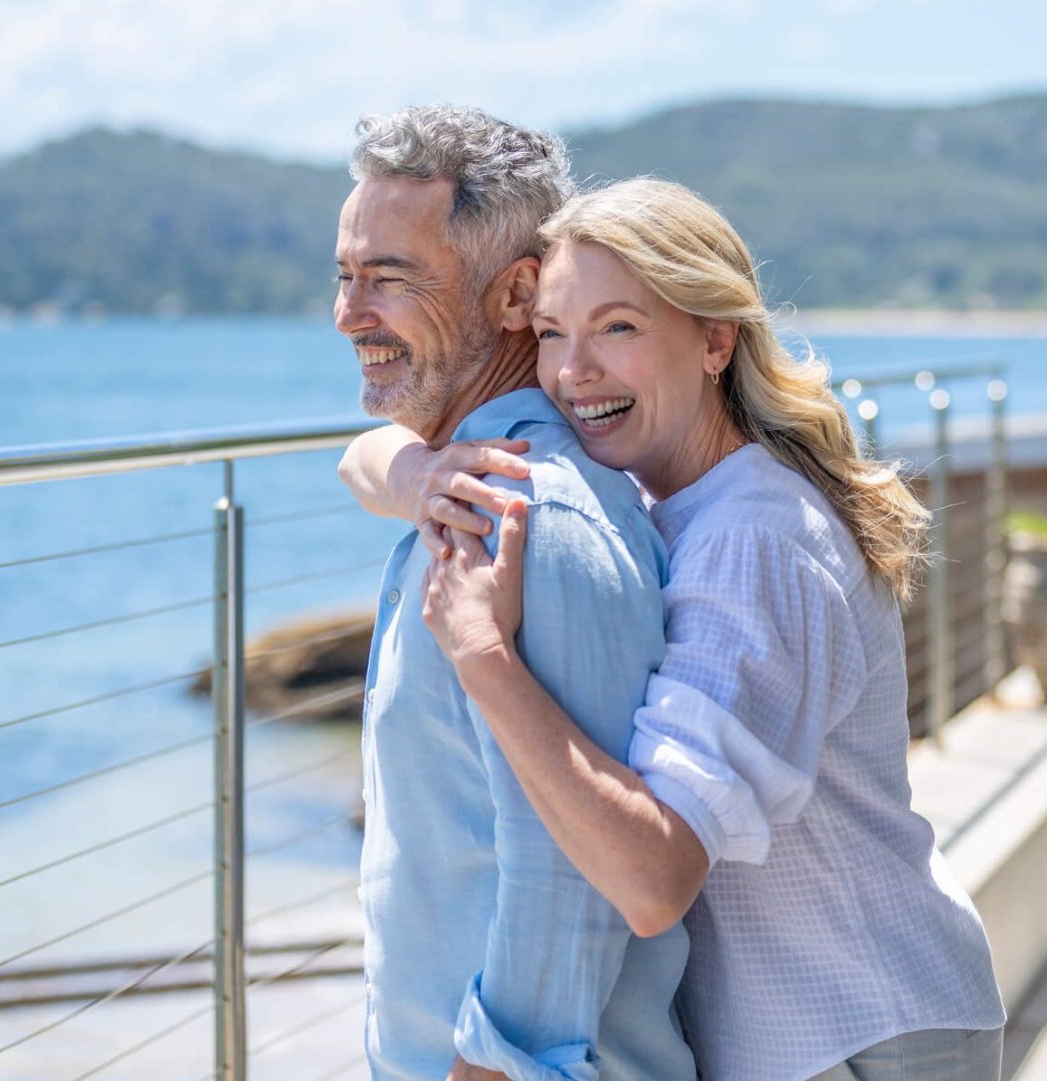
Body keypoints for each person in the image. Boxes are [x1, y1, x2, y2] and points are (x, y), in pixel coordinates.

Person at [345, 178, 1005, 1081]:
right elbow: (357, 455)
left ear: (714, 338)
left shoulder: (752, 540)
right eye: (550, 333)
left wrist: (485, 657)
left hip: (859, 1035)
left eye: (618, 328)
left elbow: (653, 879)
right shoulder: (670, 496)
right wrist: (420, 471)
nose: (574, 373)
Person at [332, 106, 696, 1081]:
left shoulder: (527, 514)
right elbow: (362, 465)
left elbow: (571, 862)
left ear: (514, 296)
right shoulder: (465, 482)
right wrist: (413, 479)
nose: (349, 311)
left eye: (389, 278)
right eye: (345, 273)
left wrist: (490, 1067)